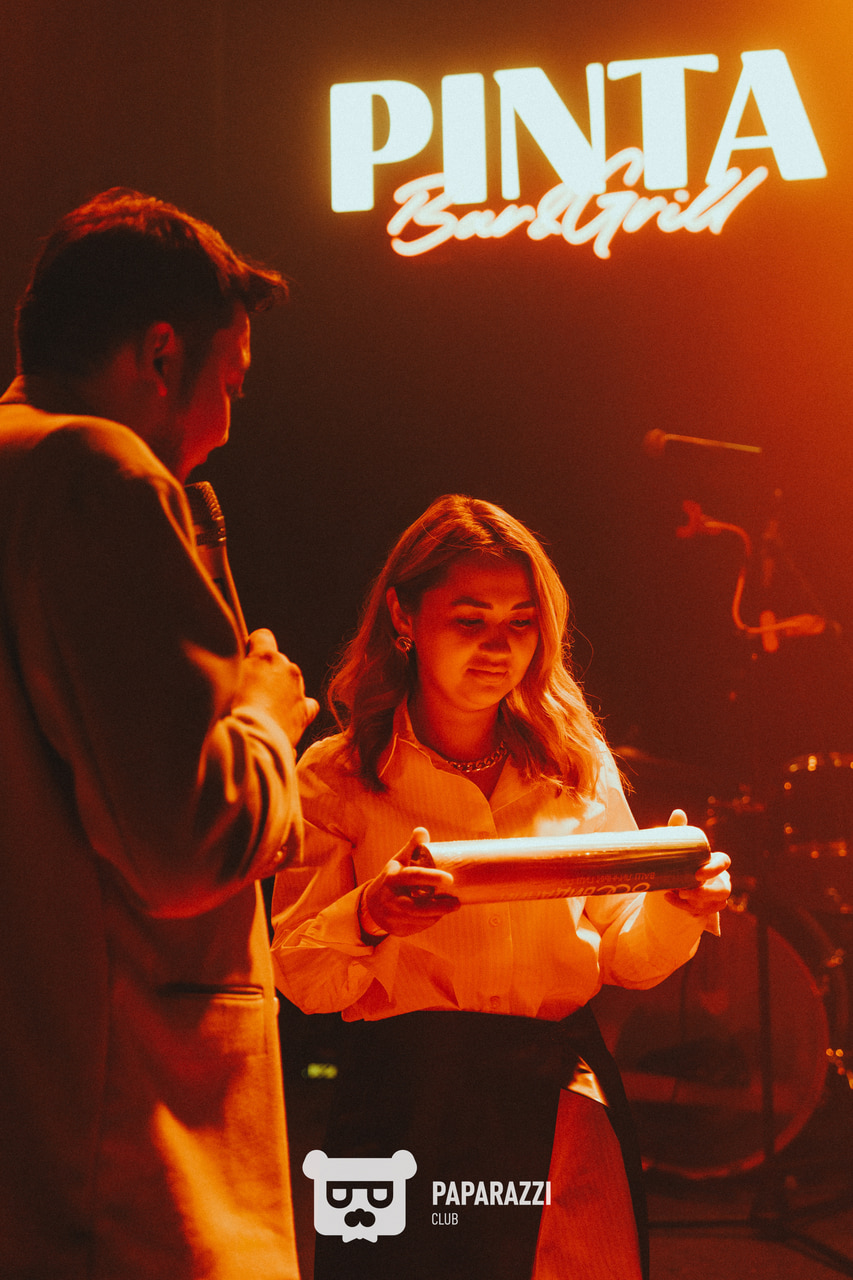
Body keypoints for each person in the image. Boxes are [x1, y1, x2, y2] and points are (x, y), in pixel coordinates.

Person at [271, 493, 731, 1280]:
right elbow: (300, 978)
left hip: (557, 1092)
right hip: (407, 1100)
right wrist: (372, 913)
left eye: (520, 621)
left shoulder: (572, 764)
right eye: (470, 619)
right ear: (403, 616)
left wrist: (677, 904)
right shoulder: (338, 775)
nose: (498, 646)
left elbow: (626, 954)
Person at [0, 189, 318, 1279]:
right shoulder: (96, 471)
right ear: (160, 354)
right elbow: (186, 844)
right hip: (119, 1149)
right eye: (230, 384)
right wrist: (266, 714)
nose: (225, 426)